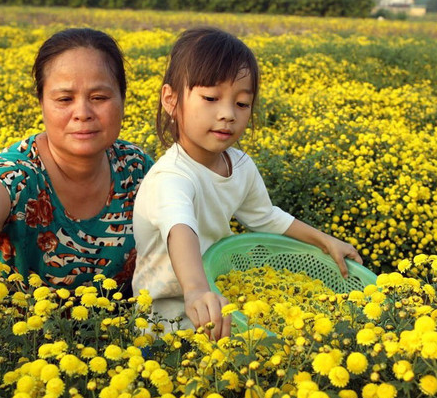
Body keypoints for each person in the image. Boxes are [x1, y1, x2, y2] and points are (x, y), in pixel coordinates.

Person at [132, 27, 362, 339]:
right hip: (168, 316)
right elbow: (179, 228)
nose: (227, 114)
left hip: (220, 298)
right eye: (211, 98)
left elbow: (266, 216)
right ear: (171, 101)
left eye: (242, 104)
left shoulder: (240, 166)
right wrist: (197, 291)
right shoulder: (171, 177)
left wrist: (325, 241)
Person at [0, 28, 153, 291]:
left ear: (123, 100)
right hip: (15, 333)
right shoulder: (16, 174)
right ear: (41, 103)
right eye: (64, 99)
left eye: (99, 98)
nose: (82, 113)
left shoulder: (136, 167)